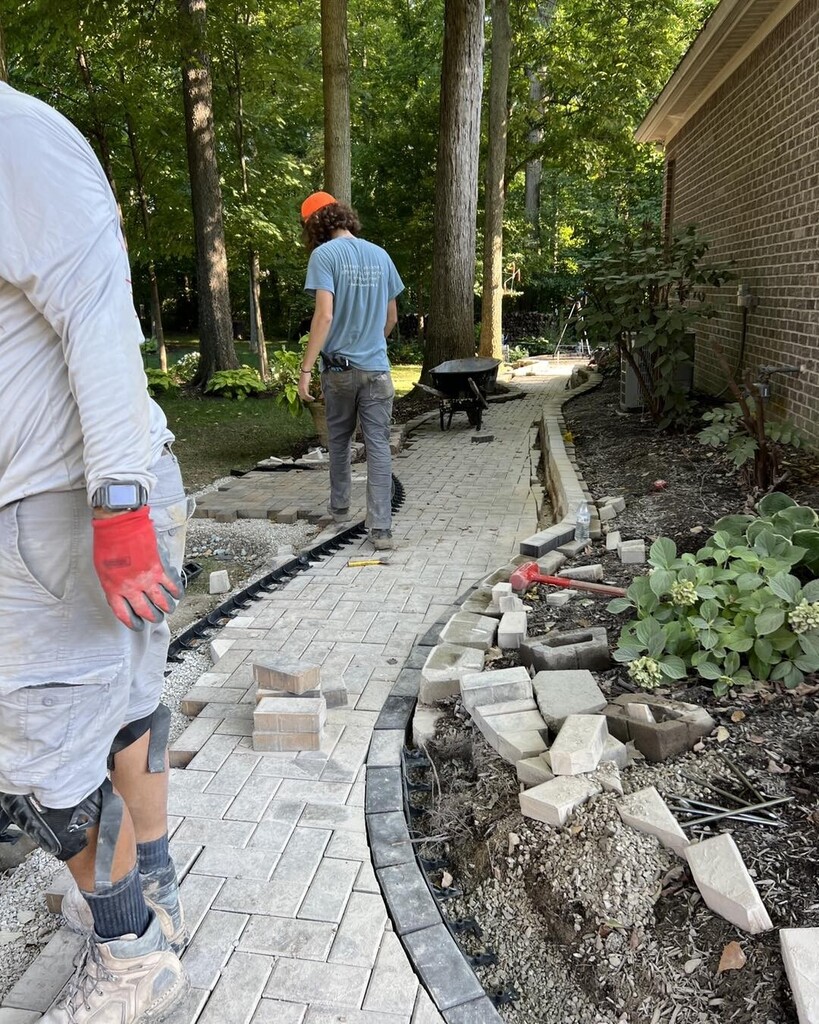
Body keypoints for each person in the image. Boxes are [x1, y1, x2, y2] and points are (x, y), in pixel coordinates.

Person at [0, 82, 191, 1022]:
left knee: (46, 763)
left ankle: (130, 949)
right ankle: (149, 898)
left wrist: (117, 508)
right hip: (70, 508)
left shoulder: (10, 137)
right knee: (123, 711)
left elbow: (100, 315)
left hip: (60, 515)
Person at [299, 192, 404, 550]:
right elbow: (391, 318)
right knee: (377, 447)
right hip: (377, 370)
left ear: (314, 224)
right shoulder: (381, 254)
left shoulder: (323, 256)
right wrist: (372, 345)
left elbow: (324, 316)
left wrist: (305, 370)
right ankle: (382, 530)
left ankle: (340, 509)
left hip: (339, 371)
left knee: (340, 442)